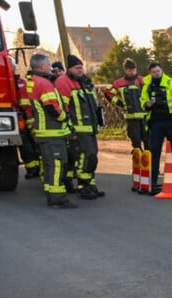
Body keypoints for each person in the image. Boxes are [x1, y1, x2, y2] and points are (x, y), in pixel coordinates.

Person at [24, 53, 74, 208]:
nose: (50, 67)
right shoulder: (44, 83)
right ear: (40, 66)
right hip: (52, 131)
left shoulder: (33, 81)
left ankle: (51, 191)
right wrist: (64, 117)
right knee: (57, 164)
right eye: (48, 64)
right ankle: (57, 198)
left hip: (44, 131)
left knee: (49, 164)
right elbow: (51, 107)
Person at [56, 54, 104, 199]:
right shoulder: (63, 82)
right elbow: (62, 108)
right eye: (77, 68)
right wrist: (70, 129)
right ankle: (84, 186)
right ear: (69, 68)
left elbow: (92, 105)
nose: (80, 70)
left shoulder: (84, 82)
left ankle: (91, 185)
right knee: (86, 157)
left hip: (90, 128)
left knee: (92, 157)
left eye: (81, 68)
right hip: (78, 129)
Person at [141, 62, 172, 194]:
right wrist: (147, 104)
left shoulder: (170, 84)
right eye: (154, 72)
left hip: (171, 121)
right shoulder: (147, 86)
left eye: (158, 71)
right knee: (154, 151)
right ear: (150, 73)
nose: (156, 73)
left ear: (162, 70)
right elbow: (142, 101)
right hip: (156, 122)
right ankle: (154, 181)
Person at [109, 58, 146, 151]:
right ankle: (138, 162)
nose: (132, 72)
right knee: (136, 141)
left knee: (148, 141)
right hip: (131, 117)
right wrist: (120, 103)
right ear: (125, 70)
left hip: (145, 116)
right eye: (130, 70)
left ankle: (149, 163)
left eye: (134, 70)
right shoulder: (119, 83)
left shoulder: (143, 80)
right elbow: (108, 93)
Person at [16, 72, 41, 179]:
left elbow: (25, 103)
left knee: (30, 144)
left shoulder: (22, 85)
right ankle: (34, 168)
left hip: (26, 117)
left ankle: (34, 168)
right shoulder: (21, 84)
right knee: (29, 144)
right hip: (24, 118)